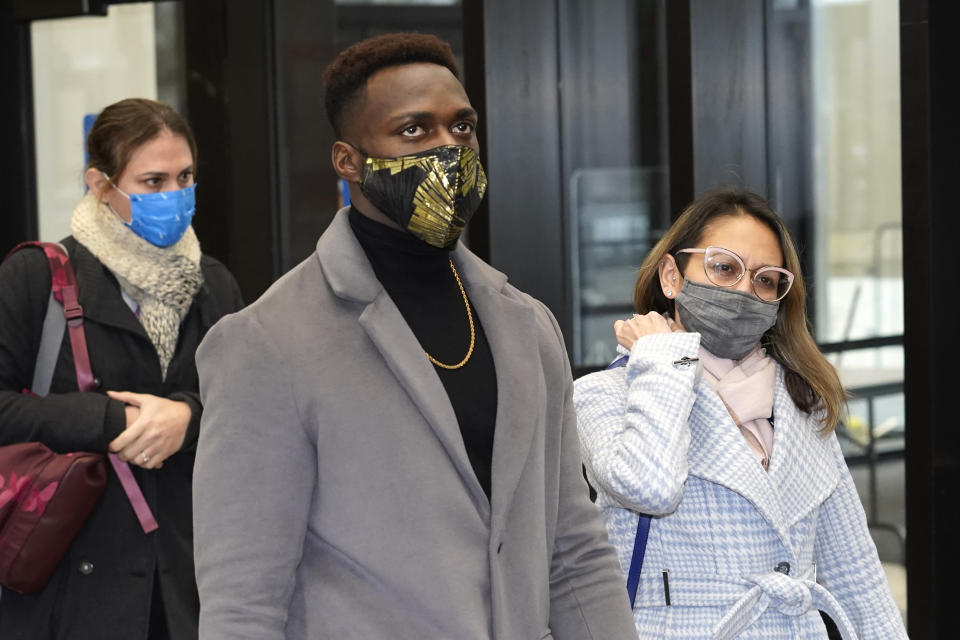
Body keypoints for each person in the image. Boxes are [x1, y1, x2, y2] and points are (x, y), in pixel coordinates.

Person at [192, 33, 637, 640]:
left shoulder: (527, 326)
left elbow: (573, 549)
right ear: (348, 160)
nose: (448, 149)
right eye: (414, 131)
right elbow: (243, 602)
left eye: (462, 128)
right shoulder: (265, 343)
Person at [573, 187, 908, 639]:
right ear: (671, 276)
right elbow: (650, 488)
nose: (745, 291)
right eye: (724, 268)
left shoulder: (801, 402)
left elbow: (857, 574)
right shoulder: (604, 394)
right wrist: (664, 361)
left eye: (765, 279)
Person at [0, 98, 244, 640]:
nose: (173, 197)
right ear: (101, 184)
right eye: (152, 182)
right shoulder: (37, 278)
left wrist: (188, 418)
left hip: (185, 585)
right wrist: (111, 423)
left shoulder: (213, 283)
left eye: (185, 178)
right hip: (66, 582)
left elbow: (248, 410)